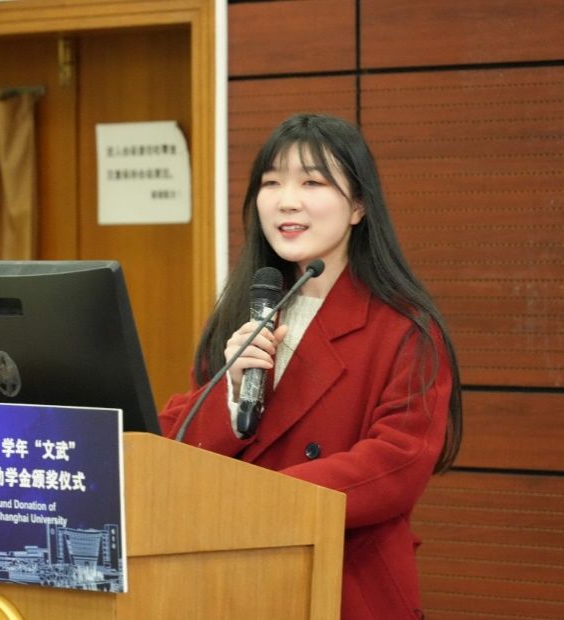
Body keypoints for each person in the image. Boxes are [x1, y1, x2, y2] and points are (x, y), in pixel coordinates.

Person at [159, 113, 462, 619]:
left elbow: (397, 463)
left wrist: (259, 501)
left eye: (312, 183)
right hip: (232, 579)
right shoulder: (240, 315)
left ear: (358, 205)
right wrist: (232, 392)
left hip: (342, 581)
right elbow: (175, 441)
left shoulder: (405, 327)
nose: (287, 200)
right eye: (271, 182)